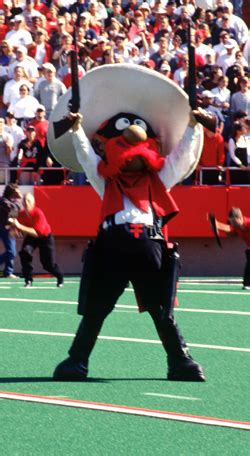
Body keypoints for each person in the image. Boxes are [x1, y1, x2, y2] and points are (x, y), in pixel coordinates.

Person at [51, 64, 206, 383]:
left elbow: (179, 159)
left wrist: (192, 125)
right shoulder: (105, 182)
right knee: (97, 308)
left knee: (161, 310)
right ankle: (76, 361)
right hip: (114, 245)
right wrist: (78, 129)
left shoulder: (157, 180)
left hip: (149, 245)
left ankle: (181, 361)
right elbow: (86, 158)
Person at [9, 192, 64, 288]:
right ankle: (28, 280)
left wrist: (19, 226)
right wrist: (13, 231)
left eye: (29, 201)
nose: (26, 203)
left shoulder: (38, 213)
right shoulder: (21, 214)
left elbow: (37, 232)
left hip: (45, 237)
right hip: (31, 236)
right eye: (24, 200)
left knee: (47, 264)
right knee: (24, 252)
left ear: (33, 203)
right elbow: (16, 230)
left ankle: (60, 277)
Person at [212, 208, 250, 290]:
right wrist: (217, 226)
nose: (232, 224)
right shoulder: (237, 226)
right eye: (231, 222)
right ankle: (247, 283)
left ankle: (247, 283)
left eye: (234, 222)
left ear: (240, 218)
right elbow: (230, 232)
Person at [0, 183, 22, 278]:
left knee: (11, 251)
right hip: (3, 227)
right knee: (11, 251)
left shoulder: (14, 201)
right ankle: (8, 271)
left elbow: (16, 211)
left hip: (8, 228)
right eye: (17, 191)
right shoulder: (2, 200)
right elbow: (12, 208)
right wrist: (17, 203)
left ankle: (8, 272)